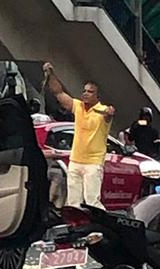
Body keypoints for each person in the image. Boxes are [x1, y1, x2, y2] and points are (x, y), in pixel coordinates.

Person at [42, 62, 115, 209]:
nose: (85, 93)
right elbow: (59, 93)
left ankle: (97, 229)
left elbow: (109, 114)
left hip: (93, 162)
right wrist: (51, 74)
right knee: (73, 202)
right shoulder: (79, 106)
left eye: (90, 92)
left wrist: (109, 112)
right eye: (85, 91)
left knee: (92, 201)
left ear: (97, 96)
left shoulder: (102, 110)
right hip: (75, 160)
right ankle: (77, 228)